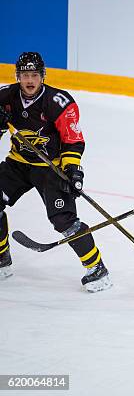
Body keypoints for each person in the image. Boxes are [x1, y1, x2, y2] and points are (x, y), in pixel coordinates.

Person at [0, 52, 110, 292]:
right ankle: (2, 258)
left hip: (51, 168)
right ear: (17, 76)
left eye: (34, 75)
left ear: (43, 76)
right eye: (25, 75)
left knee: (64, 221)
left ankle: (97, 268)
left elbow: (73, 141)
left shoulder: (59, 102)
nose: (29, 80)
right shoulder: (5, 96)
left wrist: (73, 171)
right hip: (17, 163)